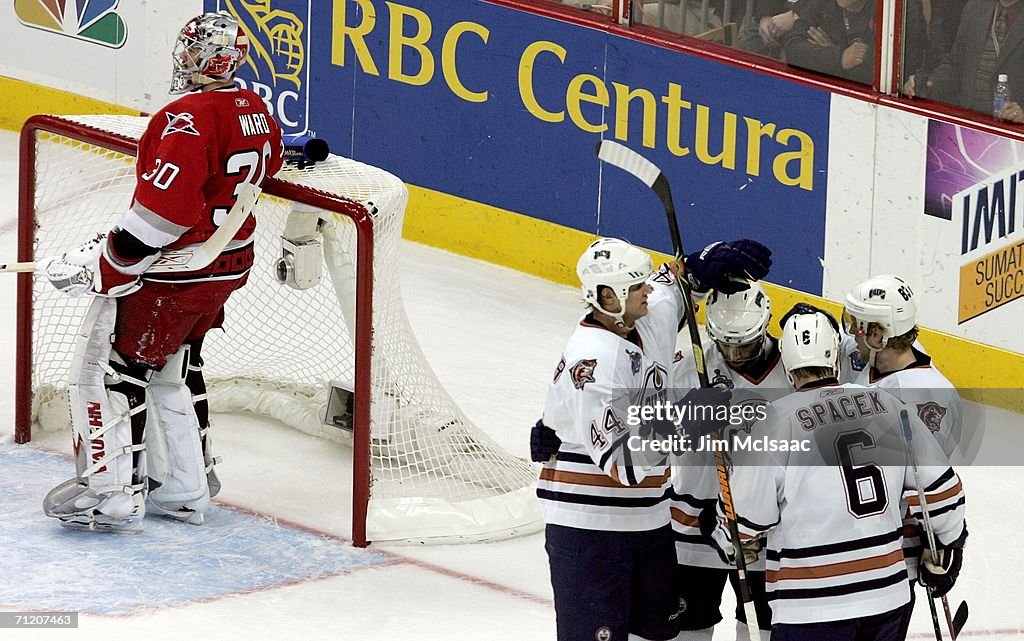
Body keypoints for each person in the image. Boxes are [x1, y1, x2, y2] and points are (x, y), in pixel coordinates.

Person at [40, 11, 284, 532]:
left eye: (190, 50)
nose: (182, 58)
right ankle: (184, 488)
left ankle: (109, 495)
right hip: (226, 268)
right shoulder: (258, 109)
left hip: (175, 274)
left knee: (112, 375)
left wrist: (109, 264)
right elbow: (270, 165)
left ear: (204, 58)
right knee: (174, 370)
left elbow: (164, 215)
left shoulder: (187, 119)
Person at [536, 236, 772, 641]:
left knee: (660, 635)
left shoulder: (644, 313)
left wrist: (701, 264)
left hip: (650, 521)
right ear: (610, 298)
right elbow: (626, 465)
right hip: (591, 530)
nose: (649, 291)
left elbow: (675, 285)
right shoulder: (591, 362)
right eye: (638, 287)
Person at [710, 306, 967, 641]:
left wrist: (726, 539)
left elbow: (743, 519)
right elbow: (942, 493)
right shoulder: (889, 405)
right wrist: (948, 545)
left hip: (811, 607)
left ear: (787, 363)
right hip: (886, 596)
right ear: (834, 357)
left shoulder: (773, 423)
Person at [840, 275, 963, 636]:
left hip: (891, 561)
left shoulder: (928, 397)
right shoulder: (869, 355)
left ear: (879, 335)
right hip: (847, 546)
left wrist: (944, 543)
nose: (850, 333)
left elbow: (928, 486)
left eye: (857, 325)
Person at [670, 282, 789, 641]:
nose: (734, 356)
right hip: (692, 525)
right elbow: (652, 435)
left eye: (745, 346)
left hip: (762, 527)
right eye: (726, 346)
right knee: (688, 627)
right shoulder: (691, 366)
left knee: (762, 630)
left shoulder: (792, 369)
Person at [904, 0, 1024, 123]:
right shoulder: (976, 6)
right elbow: (956, 64)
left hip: (1011, 129)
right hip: (968, 119)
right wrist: (926, 82)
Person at [780, 0, 877, 84]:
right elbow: (793, 49)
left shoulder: (884, 12)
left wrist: (824, 56)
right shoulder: (822, 3)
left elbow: (871, 74)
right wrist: (838, 57)